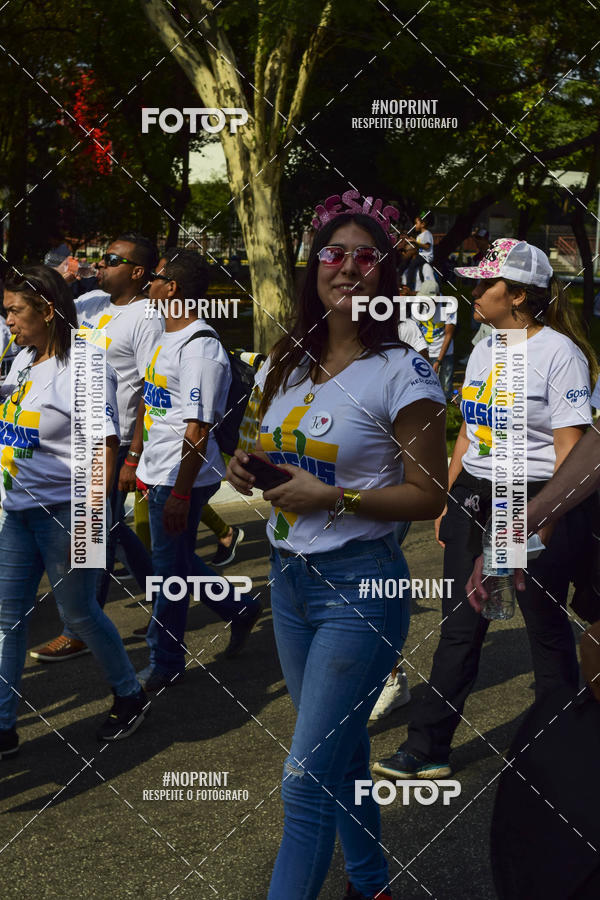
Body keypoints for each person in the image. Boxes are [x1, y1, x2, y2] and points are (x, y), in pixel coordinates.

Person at [227, 203, 447, 900]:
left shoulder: (403, 372)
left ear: (386, 273)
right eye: (333, 253)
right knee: (342, 749)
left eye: (364, 255)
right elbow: (257, 445)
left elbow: (430, 495)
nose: (347, 267)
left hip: (360, 590)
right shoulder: (285, 359)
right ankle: (372, 884)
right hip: (288, 584)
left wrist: (333, 497)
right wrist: (244, 466)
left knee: (305, 778)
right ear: (313, 266)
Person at [374, 238, 598, 781]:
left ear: (518, 294)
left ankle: (558, 748)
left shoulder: (558, 354)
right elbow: (471, 431)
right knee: (459, 626)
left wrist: (543, 521)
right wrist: (450, 493)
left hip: (532, 499)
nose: (474, 292)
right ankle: (428, 747)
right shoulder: (484, 344)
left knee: (544, 628)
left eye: (485, 283)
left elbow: (573, 450)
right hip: (476, 494)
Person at [0, 266, 148, 759]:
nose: (8, 321)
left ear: (46, 309)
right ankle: (3, 725)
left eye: (15, 311)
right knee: (7, 620)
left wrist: (92, 520)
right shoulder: (23, 359)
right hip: (18, 513)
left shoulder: (83, 363)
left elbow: (105, 445)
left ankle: (130, 695)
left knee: (79, 613)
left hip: (67, 513)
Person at [135, 248, 261, 692]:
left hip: (182, 478)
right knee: (178, 562)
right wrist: (139, 460)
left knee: (168, 573)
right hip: (160, 472)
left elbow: (197, 431)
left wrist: (182, 494)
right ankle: (240, 607)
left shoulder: (200, 350)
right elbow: (153, 405)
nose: (147, 282)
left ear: (172, 288)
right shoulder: (164, 335)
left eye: (154, 276)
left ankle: (165, 659)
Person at [30, 233, 158, 662]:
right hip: (73, 439)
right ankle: (170, 595)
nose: (99, 265)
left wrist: (134, 454)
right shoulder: (88, 305)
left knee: (91, 532)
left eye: (110, 259)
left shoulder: (147, 318)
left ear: (137, 272)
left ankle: (78, 629)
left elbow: (150, 390)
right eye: (99, 259)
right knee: (109, 528)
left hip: (115, 440)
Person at [405, 278, 456, 399]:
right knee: (424, 387)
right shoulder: (418, 304)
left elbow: (449, 334)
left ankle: (447, 412)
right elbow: (415, 330)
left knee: (445, 387)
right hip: (424, 351)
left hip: (444, 353)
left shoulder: (448, 305)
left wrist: (439, 360)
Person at [402, 214, 435, 291]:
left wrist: (415, 242)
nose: (415, 225)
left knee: (412, 265)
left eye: (416, 223)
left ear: (423, 224)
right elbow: (417, 248)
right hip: (420, 255)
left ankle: (409, 286)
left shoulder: (427, 233)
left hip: (426, 257)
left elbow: (427, 247)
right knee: (406, 264)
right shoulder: (419, 236)